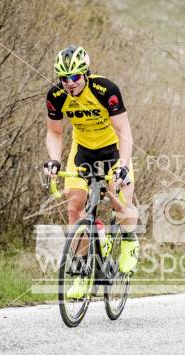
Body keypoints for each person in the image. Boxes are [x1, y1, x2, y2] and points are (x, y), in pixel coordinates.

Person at [43, 45, 139, 298]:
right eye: (64, 78)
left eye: (74, 77)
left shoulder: (106, 90)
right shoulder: (56, 96)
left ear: (85, 73)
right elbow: (55, 132)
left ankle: (129, 242)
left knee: (121, 202)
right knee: (75, 207)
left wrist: (124, 166)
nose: (69, 83)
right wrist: (54, 160)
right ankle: (83, 271)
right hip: (83, 151)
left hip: (111, 150)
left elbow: (124, 131)